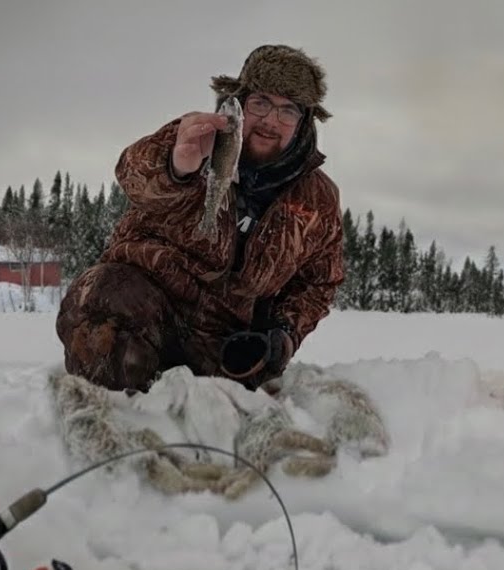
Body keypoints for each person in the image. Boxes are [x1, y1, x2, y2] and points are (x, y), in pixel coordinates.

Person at [56, 45, 344, 394]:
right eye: (261, 103)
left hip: (221, 341)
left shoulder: (318, 198)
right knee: (104, 297)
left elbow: (319, 282)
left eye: (287, 110)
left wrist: (283, 335)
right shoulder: (198, 138)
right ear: (240, 101)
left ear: (304, 122)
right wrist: (176, 166)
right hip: (146, 308)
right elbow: (133, 175)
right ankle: (111, 421)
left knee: (233, 407)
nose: (270, 120)